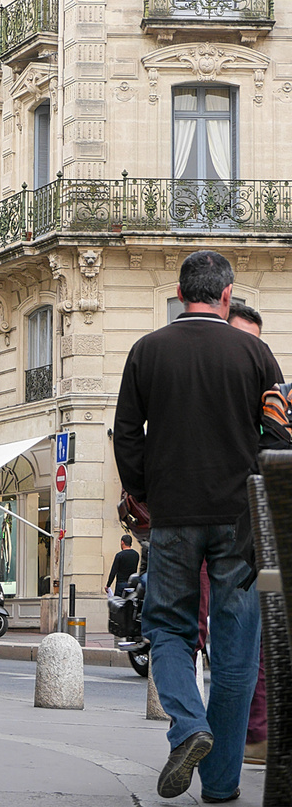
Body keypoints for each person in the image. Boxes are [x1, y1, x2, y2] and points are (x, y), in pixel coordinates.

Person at [113, 251, 281, 803]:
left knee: (168, 630)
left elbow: (126, 434)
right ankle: (223, 784)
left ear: (182, 293)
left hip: (173, 517)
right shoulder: (255, 352)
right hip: (240, 521)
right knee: (237, 652)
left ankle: (188, 726)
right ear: (226, 294)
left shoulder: (145, 351)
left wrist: (145, 492)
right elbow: (282, 439)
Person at [227, 302, 274, 768]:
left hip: (259, 531)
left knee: (254, 634)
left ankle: (254, 736)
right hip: (212, 524)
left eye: (255, 344)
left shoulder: (270, 395)